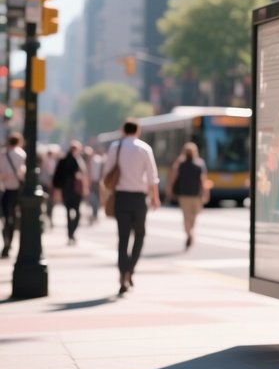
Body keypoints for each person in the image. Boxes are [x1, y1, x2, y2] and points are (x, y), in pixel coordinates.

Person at [102, 119, 160, 295]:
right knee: (140, 235)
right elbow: (152, 177)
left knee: (123, 238)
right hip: (139, 198)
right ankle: (130, 269)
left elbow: (107, 174)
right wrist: (155, 198)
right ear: (138, 131)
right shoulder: (144, 148)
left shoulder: (115, 147)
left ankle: (122, 272)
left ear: (123, 130)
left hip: (121, 197)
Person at [167, 142, 209, 249]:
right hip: (195, 195)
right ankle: (190, 232)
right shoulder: (199, 163)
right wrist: (206, 193)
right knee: (193, 216)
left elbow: (173, 177)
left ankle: (189, 233)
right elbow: (203, 181)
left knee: (187, 216)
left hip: (184, 195)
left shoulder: (180, 163)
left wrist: (170, 189)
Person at [52, 141, 88, 245]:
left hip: (69, 190)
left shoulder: (66, 160)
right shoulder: (74, 160)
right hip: (73, 190)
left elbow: (57, 177)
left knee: (70, 213)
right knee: (75, 212)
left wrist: (58, 189)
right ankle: (71, 232)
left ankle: (70, 232)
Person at [0, 132, 26, 258]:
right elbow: (23, 171)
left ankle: (6, 239)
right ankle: (9, 239)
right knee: (14, 217)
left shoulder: (3, 154)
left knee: (6, 217)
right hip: (17, 189)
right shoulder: (21, 154)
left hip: (5, 189)